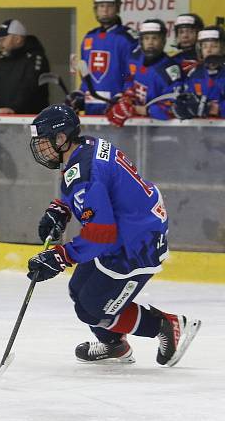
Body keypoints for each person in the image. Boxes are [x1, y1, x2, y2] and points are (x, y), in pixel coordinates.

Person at [26, 103, 200, 366]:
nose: (41, 148)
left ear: (61, 138)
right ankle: (114, 345)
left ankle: (168, 325)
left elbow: (100, 234)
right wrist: (62, 207)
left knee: (95, 306)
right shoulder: (85, 146)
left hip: (136, 242)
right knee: (80, 293)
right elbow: (98, 190)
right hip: (132, 227)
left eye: (44, 141)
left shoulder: (83, 171)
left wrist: (61, 256)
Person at [66, 0, 138, 115]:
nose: (104, 10)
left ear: (118, 7)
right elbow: (85, 73)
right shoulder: (89, 38)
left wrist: (125, 96)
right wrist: (79, 95)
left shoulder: (128, 38)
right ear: (95, 9)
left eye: (109, 6)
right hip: (91, 112)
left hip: (118, 112)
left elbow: (134, 75)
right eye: (101, 6)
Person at [106, 20, 183, 126]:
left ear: (163, 41)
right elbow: (128, 82)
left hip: (163, 130)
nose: (150, 42)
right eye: (146, 38)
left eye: (155, 38)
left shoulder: (171, 70)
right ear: (141, 41)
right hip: (134, 129)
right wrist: (125, 99)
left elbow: (174, 107)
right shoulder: (134, 59)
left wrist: (140, 110)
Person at [173, 26, 225, 119]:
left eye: (214, 46)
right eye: (205, 46)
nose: (209, 50)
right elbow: (187, 97)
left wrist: (216, 109)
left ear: (223, 48)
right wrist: (183, 108)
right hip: (199, 131)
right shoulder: (194, 73)